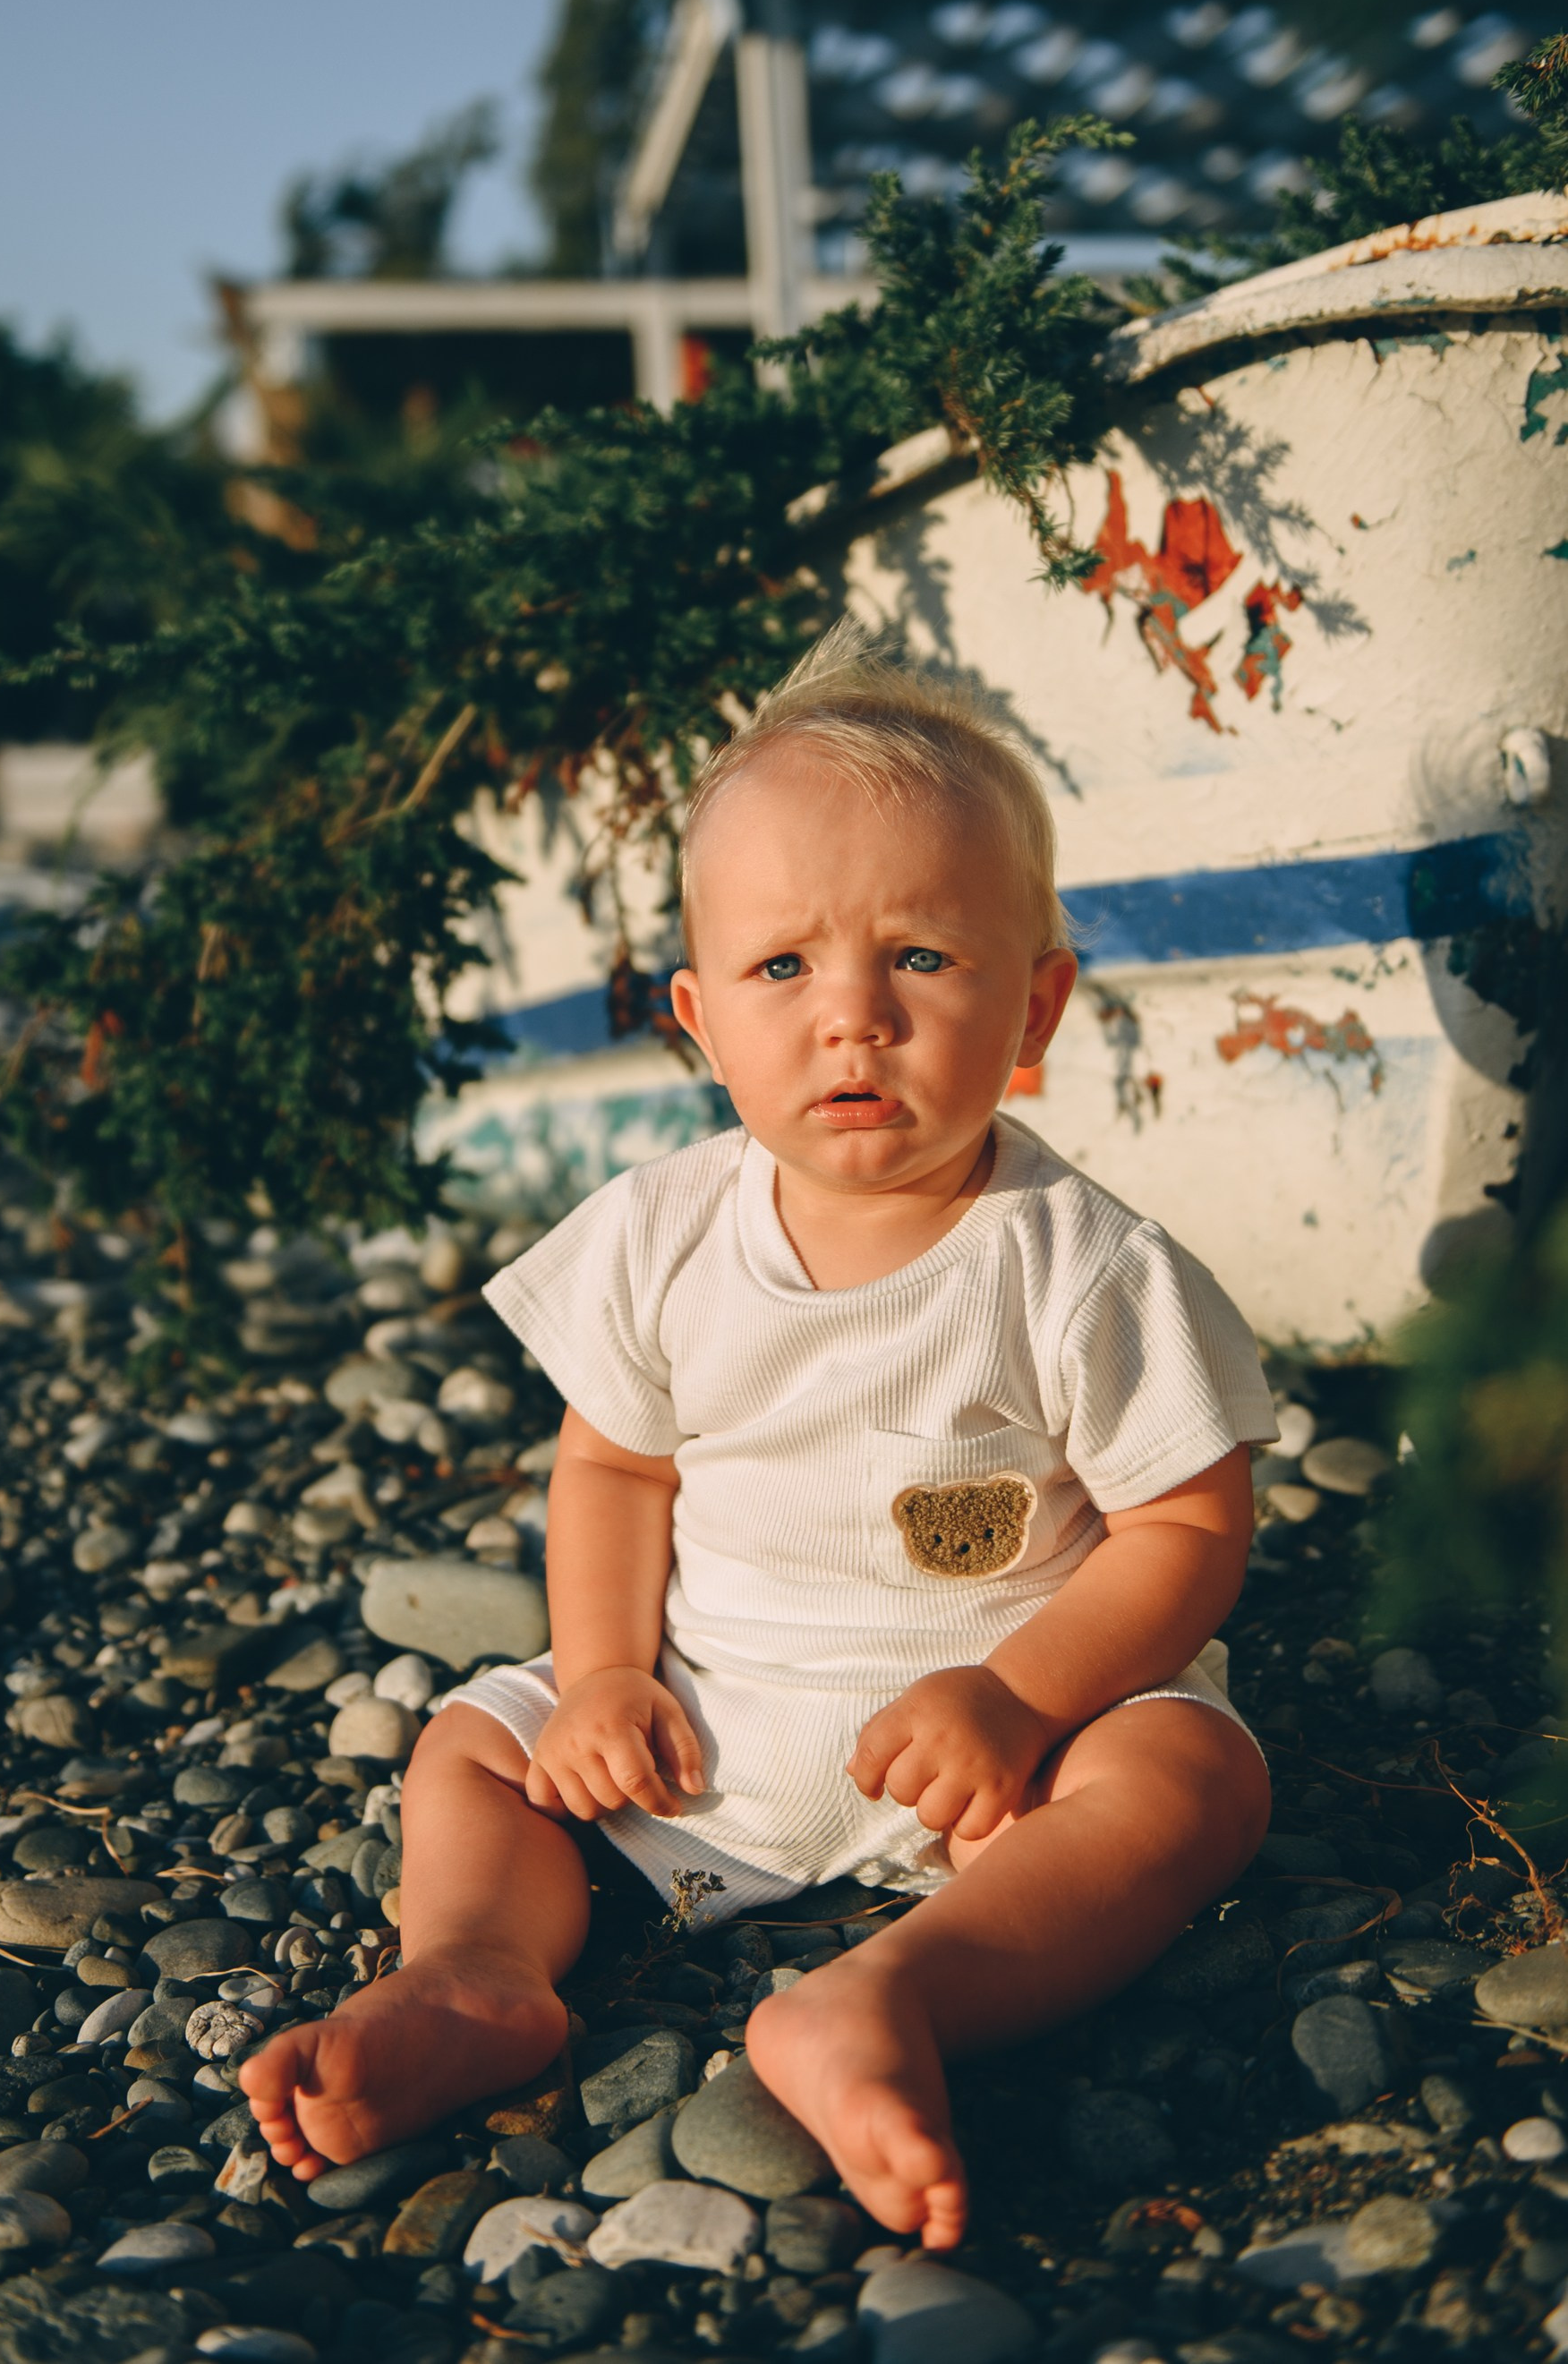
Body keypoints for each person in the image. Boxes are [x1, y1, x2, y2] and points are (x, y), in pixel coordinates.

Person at [243, 626, 1274, 2249]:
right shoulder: (661, 1232)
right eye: (784, 969)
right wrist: (597, 1677)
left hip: (1005, 1754)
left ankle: (894, 1992)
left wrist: (1025, 1692)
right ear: (699, 1020)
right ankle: (477, 1968)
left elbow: (1191, 1526)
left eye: (923, 960)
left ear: (1036, 1007)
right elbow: (612, 1468)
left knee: (1191, 1770)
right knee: (474, 1743)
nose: (850, 1018)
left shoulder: (1083, 1263)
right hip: (709, 1731)